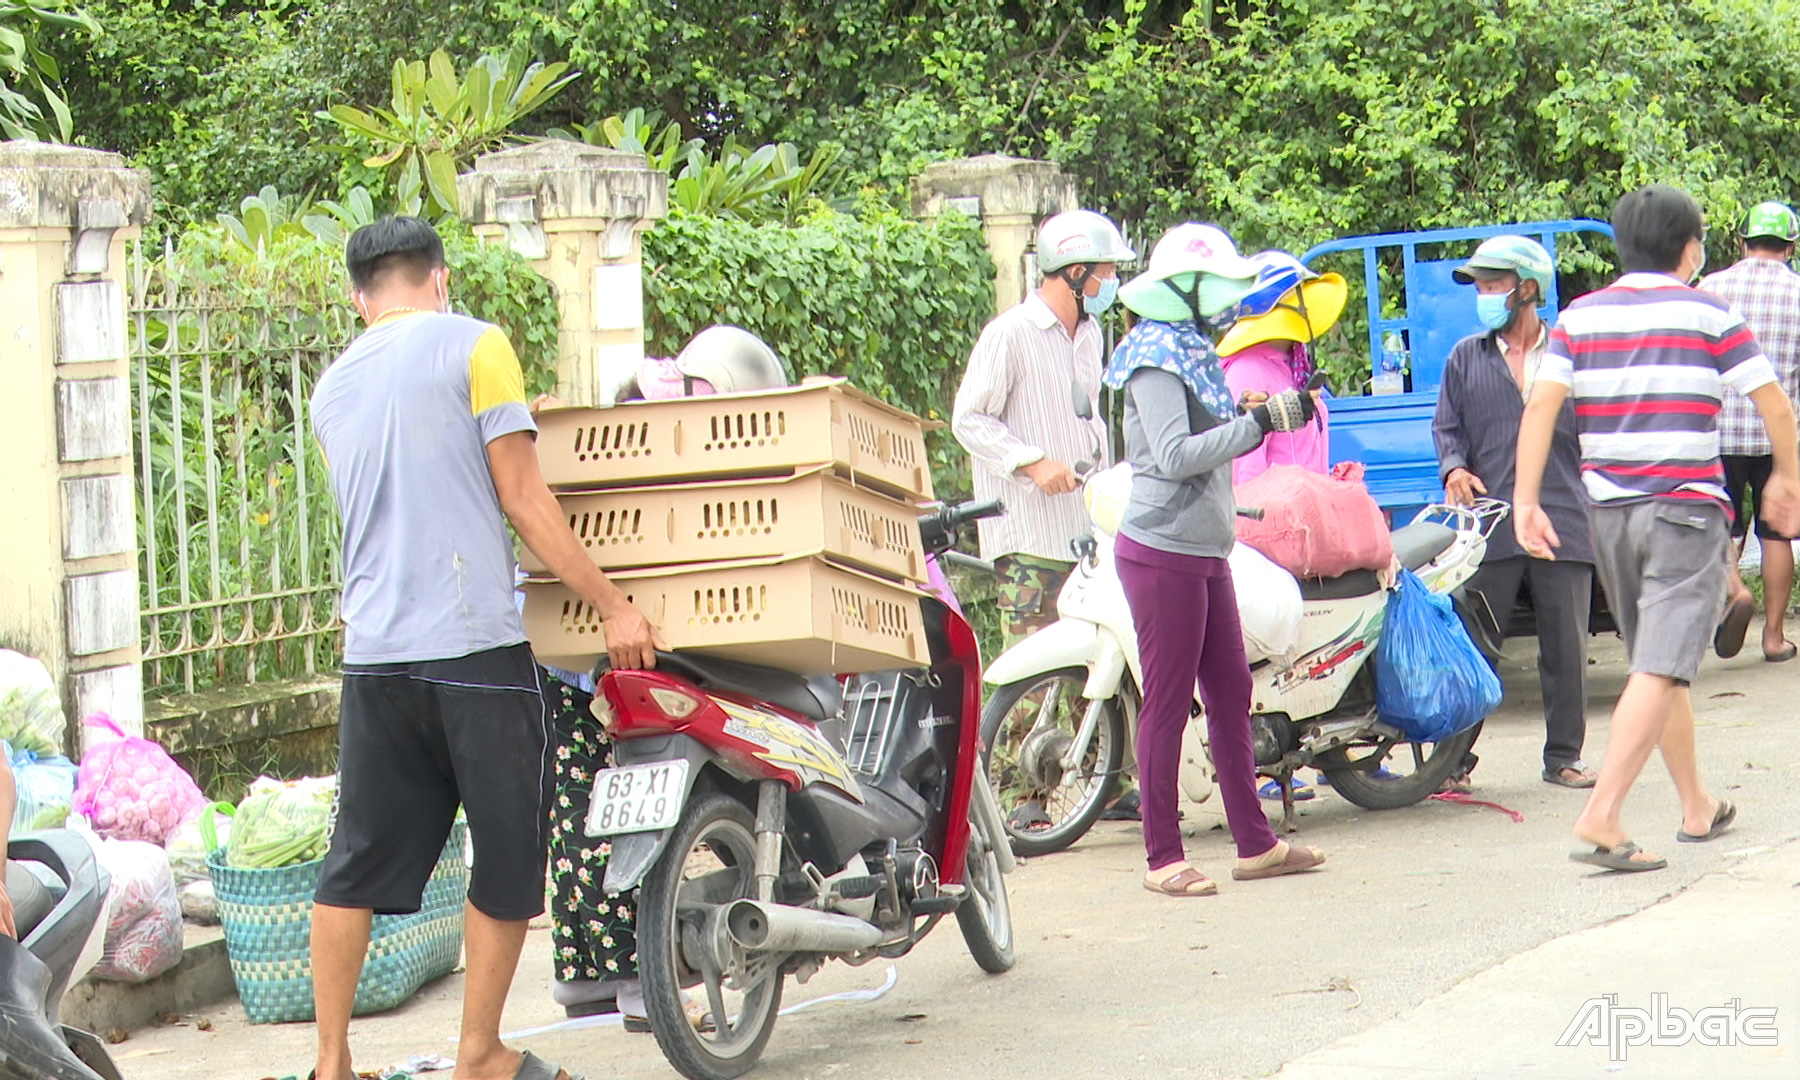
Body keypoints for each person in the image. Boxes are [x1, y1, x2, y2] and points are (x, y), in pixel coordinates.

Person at [308, 216, 661, 1080]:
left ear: (362, 300)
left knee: (353, 861)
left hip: (375, 658)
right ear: (440, 277)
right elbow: (523, 497)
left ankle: (330, 1062)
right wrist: (614, 604)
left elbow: (417, 468)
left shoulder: (333, 384)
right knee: (505, 853)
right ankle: (479, 1053)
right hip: (472, 650)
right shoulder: (477, 345)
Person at [1515, 184, 1800, 874]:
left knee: (1658, 664)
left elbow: (1540, 409)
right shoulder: (1708, 311)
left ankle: (1696, 805)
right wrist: (1786, 476)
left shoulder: (1580, 317)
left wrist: (1527, 500)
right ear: (1691, 248)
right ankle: (1603, 814)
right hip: (1684, 509)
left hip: (1607, 516)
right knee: (1662, 663)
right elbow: (1773, 402)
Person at [1104, 222, 1327, 896]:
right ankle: (1162, 858)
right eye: (1223, 291)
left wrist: (1249, 410)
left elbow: (1204, 431)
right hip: (1161, 551)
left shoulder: (1190, 348)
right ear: (1188, 293)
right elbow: (1172, 456)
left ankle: (1256, 844)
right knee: (1168, 702)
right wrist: (1258, 424)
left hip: (1204, 549)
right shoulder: (1151, 356)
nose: (1234, 304)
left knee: (1230, 691)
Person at [953, 208, 1142, 828]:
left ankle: (1102, 787)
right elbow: (969, 420)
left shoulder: (1091, 336)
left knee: (1099, 661)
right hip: (1029, 532)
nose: (1111, 280)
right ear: (1076, 269)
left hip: (1087, 530)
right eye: (1106, 270)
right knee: (1033, 664)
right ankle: (1021, 800)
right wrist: (1032, 462)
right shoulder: (1010, 333)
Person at [1434, 235, 1598, 793]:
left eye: (1492, 284)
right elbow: (1446, 428)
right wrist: (1454, 469)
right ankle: (1450, 763)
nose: (1482, 294)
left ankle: (1564, 758)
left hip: (1563, 517)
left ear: (1527, 290)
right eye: (1479, 285)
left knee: (1566, 647)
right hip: (1491, 522)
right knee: (1475, 646)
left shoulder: (1569, 355)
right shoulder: (1465, 358)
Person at [1701, 201, 1800, 662]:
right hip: (1777, 435)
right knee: (1777, 534)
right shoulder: (1798, 292)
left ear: (1741, 243)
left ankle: (1734, 589)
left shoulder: (1711, 287)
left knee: (1720, 525)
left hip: (1716, 431)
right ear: (1791, 247)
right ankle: (1774, 638)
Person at [1216, 251, 1346, 486]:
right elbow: (1247, 477)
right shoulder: (1248, 371)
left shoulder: (1294, 366)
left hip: (1307, 511)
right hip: (1278, 518)